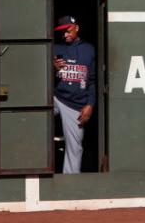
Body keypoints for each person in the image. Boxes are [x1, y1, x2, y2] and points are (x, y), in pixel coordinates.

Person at [52, 15, 96, 174]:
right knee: (34, 120)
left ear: (76, 28)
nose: (65, 34)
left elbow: (92, 80)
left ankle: (69, 186)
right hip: (56, 97)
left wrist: (90, 104)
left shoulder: (89, 50)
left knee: (75, 147)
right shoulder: (56, 48)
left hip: (76, 103)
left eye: (68, 30)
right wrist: (53, 67)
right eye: (62, 32)